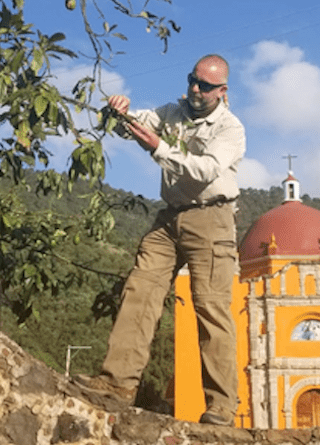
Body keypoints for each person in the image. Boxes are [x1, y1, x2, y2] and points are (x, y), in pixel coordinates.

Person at [72, 54, 245, 427]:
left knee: (210, 308)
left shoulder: (231, 129)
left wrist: (158, 148)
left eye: (205, 86)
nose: (195, 90)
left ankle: (221, 406)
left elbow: (205, 169)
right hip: (169, 218)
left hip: (212, 219)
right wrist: (120, 111)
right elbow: (137, 125)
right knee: (140, 290)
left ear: (222, 91)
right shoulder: (174, 111)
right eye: (192, 80)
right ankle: (116, 384)